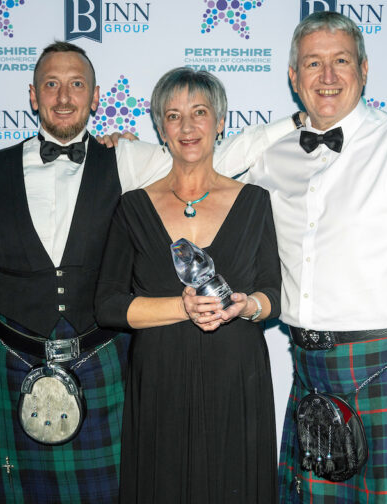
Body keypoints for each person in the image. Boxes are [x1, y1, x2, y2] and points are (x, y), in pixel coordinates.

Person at [0, 41, 299, 503]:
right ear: (32, 95)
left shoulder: (126, 160)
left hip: (101, 365)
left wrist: (304, 119)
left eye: (77, 85)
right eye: (51, 85)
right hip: (19, 367)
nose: (64, 97)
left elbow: (214, 157)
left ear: (96, 96)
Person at [250, 12, 387, 502]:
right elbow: (201, 168)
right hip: (309, 375)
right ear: (293, 77)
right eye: (313, 63)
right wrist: (122, 154)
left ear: (364, 70)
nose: (327, 77)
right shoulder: (271, 156)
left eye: (341, 61)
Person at [95, 67, 281, 503]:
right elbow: (106, 305)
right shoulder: (133, 206)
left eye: (200, 112)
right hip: (161, 383)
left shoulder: (255, 202)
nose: (188, 126)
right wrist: (182, 308)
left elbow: (273, 294)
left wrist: (245, 305)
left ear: (220, 122)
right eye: (174, 115)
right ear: (160, 128)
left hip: (237, 380)